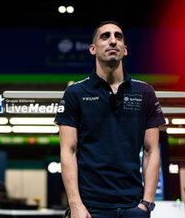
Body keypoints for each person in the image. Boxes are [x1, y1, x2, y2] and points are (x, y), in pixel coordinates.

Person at [54, 21, 165, 218]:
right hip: (90, 209)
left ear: (125, 49)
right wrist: (76, 204)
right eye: (105, 37)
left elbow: (151, 151)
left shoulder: (145, 92)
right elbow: (67, 151)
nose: (113, 41)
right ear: (93, 49)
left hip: (133, 208)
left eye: (118, 37)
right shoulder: (75, 93)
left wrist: (147, 203)